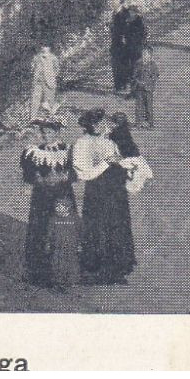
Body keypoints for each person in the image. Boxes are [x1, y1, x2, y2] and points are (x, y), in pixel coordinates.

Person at [72, 108, 136, 285]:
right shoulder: (82, 143)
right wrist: (107, 162)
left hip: (115, 191)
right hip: (97, 193)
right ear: (89, 125)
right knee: (98, 228)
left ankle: (117, 269)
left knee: (116, 227)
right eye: (97, 123)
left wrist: (127, 167)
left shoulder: (108, 139)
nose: (101, 125)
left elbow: (122, 158)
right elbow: (83, 174)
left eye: (102, 122)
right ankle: (98, 269)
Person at [20, 117, 77, 288]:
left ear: (58, 132)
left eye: (51, 132)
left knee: (62, 233)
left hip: (63, 197)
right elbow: (28, 174)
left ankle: (61, 277)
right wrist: (38, 178)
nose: (47, 135)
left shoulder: (69, 151)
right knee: (39, 231)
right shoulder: (32, 152)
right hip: (42, 198)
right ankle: (38, 274)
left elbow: (77, 172)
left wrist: (65, 176)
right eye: (44, 132)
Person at [109, 0, 135, 94]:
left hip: (124, 43)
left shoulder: (125, 13)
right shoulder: (114, 13)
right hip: (116, 42)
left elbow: (128, 28)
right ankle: (119, 86)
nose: (111, 3)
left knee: (125, 64)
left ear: (120, 2)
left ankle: (127, 85)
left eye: (114, 1)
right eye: (111, 1)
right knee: (116, 64)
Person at [29, 43, 61, 123]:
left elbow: (57, 69)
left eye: (46, 46)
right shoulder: (36, 57)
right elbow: (32, 68)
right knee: (35, 99)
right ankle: (33, 118)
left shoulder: (53, 58)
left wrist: (51, 76)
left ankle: (50, 119)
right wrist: (36, 74)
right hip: (38, 82)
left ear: (49, 48)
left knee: (49, 100)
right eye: (42, 46)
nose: (44, 48)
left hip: (49, 82)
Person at [131, 47, 159, 128]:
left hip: (148, 89)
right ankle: (138, 122)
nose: (144, 55)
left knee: (148, 106)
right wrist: (138, 82)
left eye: (146, 54)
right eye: (143, 54)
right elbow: (134, 75)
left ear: (150, 55)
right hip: (139, 89)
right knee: (139, 106)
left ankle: (150, 123)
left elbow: (156, 75)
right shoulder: (138, 64)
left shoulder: (153, 65)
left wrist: (149, 82)